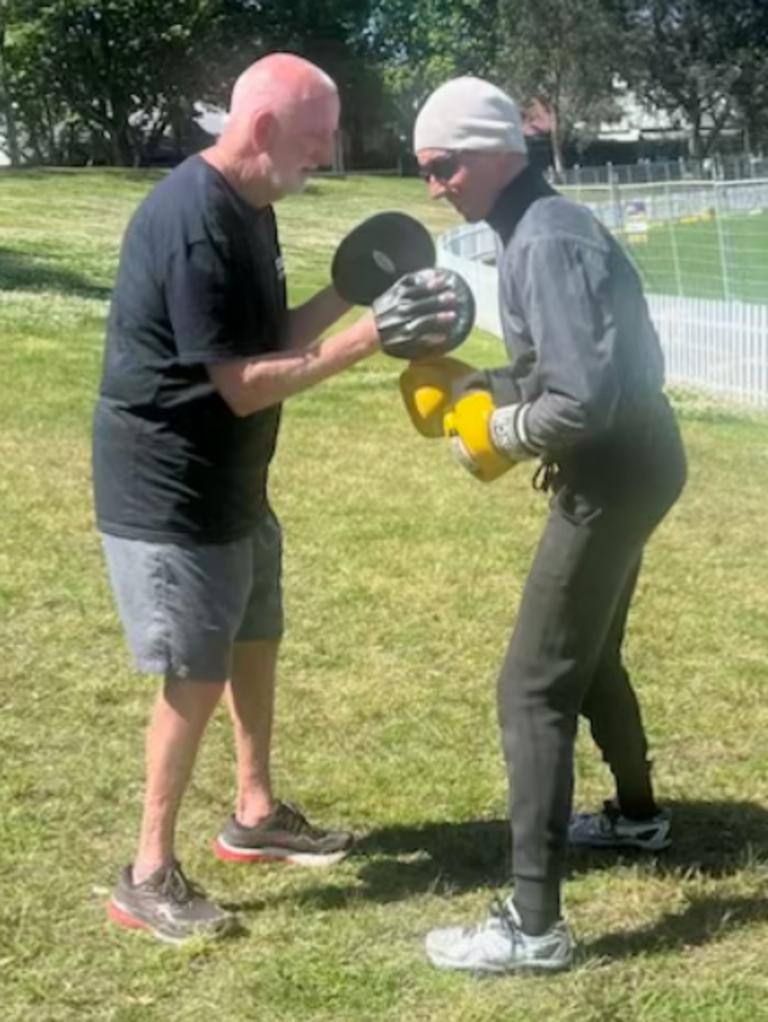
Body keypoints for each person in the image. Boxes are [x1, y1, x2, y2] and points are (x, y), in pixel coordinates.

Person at [93, 53, 457, 944]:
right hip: (170, 487)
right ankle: (147, 871)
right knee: (197, 671)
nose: (326, 157)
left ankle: (253, 813)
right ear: (260, 131)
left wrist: (351, 293)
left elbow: (271, 338)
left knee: (256, 634)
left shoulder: (252, 210)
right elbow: (246, 383)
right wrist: (370, 339)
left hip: (237, 482)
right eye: (315, 140)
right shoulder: (195, 223)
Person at [411, 77, 687, 973]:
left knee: (531, 688)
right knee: (590, 651)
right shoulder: (535, 229)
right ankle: (639, 819)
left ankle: (533, 929)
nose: (434, 185)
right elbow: (559, 368)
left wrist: (499, 431)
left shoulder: (545, 240)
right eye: (426, 170)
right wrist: (477, 385)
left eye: (444, 165)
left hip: (614, 471)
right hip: (639, 464)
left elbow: (582, 399)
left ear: (494, 153)